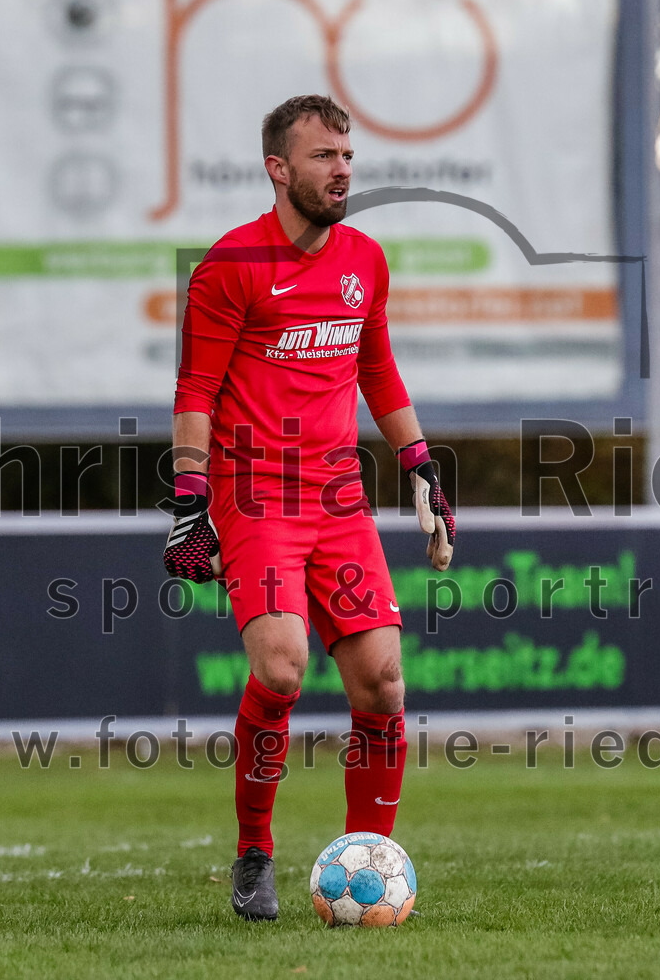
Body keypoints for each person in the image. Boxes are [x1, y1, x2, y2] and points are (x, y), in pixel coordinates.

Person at [162, 95, 455, 922]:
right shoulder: (231, 266)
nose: (343, 170)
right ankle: (255, 848)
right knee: (282, 665)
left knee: (383, 684)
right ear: (278, 169)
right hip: (252, 495)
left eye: (347, 155)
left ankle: (375, 856)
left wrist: (422, 465)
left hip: (337, 499)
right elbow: (195, 392)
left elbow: (378, 369)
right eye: (324, 156)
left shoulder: (365, 256)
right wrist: (190, 500)